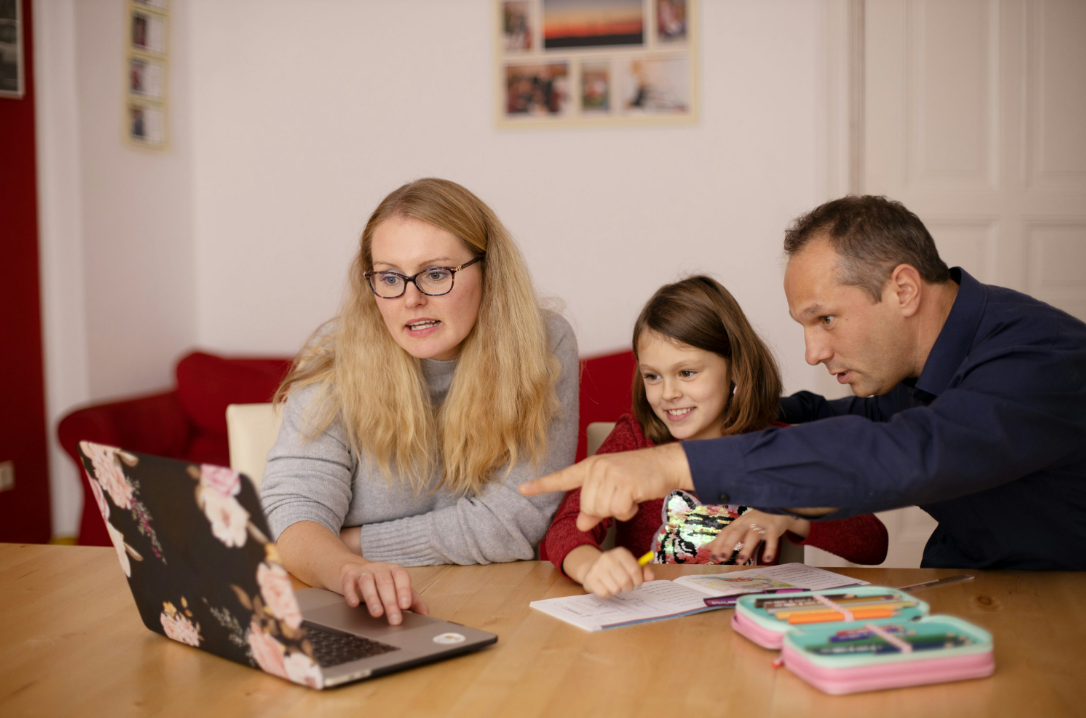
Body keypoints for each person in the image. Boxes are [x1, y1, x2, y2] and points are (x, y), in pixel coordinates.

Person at [523, 195, 1086, 571]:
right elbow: (826, 419)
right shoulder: (911, 370)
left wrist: (675, 464)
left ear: (904, 290)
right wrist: (720, 419)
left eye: (827, 319)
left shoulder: (1040, 360)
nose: (814, 352)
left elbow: (909, 452)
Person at [261, 178, 579, 625]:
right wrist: (348, 568)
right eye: (390, 277)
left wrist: (347, 542)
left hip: (495, 607)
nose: (411, 299)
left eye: (435, 273)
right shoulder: (337, 357)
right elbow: (292, 515)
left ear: (489, 271)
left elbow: (514, 524)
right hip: (354, 608)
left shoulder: (543, 343)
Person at [541, 276, 887, 598]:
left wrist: (792, 513)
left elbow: (873, 542)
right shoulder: (634, 439)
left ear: (735, 368)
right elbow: (565, 528)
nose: (669, 393)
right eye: (653, 376)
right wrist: (591, 565)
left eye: (687, 372)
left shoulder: (776, 447)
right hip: (651, 631)